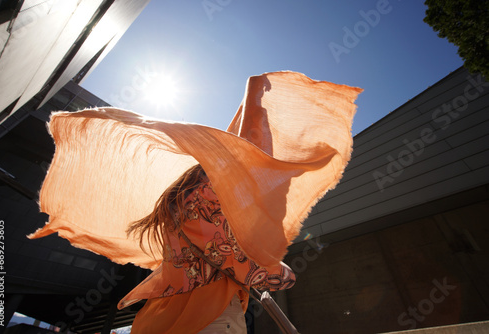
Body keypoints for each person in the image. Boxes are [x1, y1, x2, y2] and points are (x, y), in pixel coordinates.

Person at [29, 71, 362, 334]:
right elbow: (240, 262)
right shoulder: (207, 195)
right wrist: (282, 274)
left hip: (184, 316)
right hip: (204, 320)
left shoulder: (196, 194)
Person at [122, 164, 296, 332]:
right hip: (209, 317)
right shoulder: (207, 198)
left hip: (164, 315)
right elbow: (244, 263)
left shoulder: (177, 209)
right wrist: (284, 273)